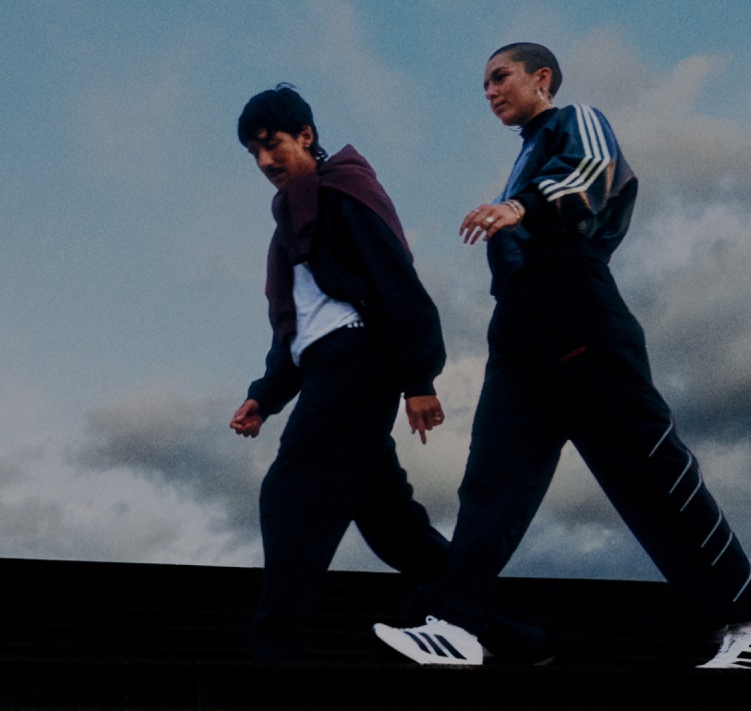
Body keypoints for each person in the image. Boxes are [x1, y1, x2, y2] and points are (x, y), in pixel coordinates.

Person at [371, 43, 751, 670]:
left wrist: (521, 205)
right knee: (492, 480)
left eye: (500, 77)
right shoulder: (524, 157)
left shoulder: (577, 120)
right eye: (484, 84)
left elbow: (594, 169)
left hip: (577, 309)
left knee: (649, 469)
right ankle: (456, 627)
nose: (489, 91)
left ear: (541, 78)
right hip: (518, 330)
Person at [230, 84, 545, 662]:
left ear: (306, 136)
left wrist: (418, 378)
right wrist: (265, 396)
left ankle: (273, 645)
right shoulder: (292, 222)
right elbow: (296, 323)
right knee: (395, 529)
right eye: (253, 152)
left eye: (272, 144)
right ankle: (520, 638)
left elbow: (396, 280)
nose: (264, 161)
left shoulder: (345, 193)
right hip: (327, 362)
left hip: (358, 357)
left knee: (289, 492)